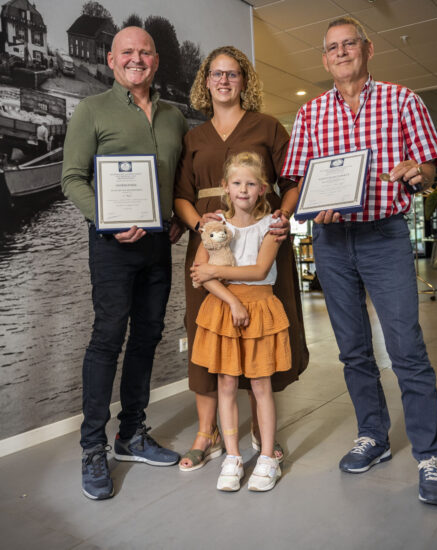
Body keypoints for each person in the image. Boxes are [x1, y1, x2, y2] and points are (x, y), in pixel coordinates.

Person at [281, 17, 437, 506]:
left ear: (367, 49)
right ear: (324, 58)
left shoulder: (402, 100)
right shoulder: (311, 114)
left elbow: (430, 172)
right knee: (353, 349)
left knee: (406, 348)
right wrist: (291, 211)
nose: (340, 53)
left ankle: (430, 454)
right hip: (330, 239)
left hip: (384, 236)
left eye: (348, 44)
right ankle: (373, 436)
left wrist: (417, 173)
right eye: (331, 47)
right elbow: (296, 180)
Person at [61, 26, 189, 501]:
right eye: (127, 53)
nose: (137, 59)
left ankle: (130, 435)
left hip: (158, 246)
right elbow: (72, 179)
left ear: (155, 61)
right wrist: (107, 221)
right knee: (107, 339)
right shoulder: (92, 110)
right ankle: (93, 447)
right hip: (112, 247)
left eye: (145, 52)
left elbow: (178, 180)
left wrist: (179, 217)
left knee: (148, 338)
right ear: (112, 60)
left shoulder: (176, 117)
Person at [174, 46, 308, 471]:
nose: (225, 81)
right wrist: (201, 228)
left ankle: (259, 430)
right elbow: (180, 196)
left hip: (261, 237)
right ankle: (206, 432)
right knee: (207, 333)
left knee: (261, 328)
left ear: (244, 81)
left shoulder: (267, 127)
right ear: (206, 82)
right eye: (217, 74)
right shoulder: (194, 138)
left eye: (233, 74)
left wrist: (282, 218)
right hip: (212, 237)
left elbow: (292, 182)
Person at [190, 151, 290, 492]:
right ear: (224, 187)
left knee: (261, 386)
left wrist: (216, 270)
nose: (243, 189)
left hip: (260, 307)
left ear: (263, 189)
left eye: (251, 184)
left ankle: (266, 456)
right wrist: (231, 299)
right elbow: (199, 275)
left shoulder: (271, 227)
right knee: (226, 386)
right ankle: (232, 457)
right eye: (236, 183)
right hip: (225, 309)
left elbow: (259, 270)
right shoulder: (215, 227)